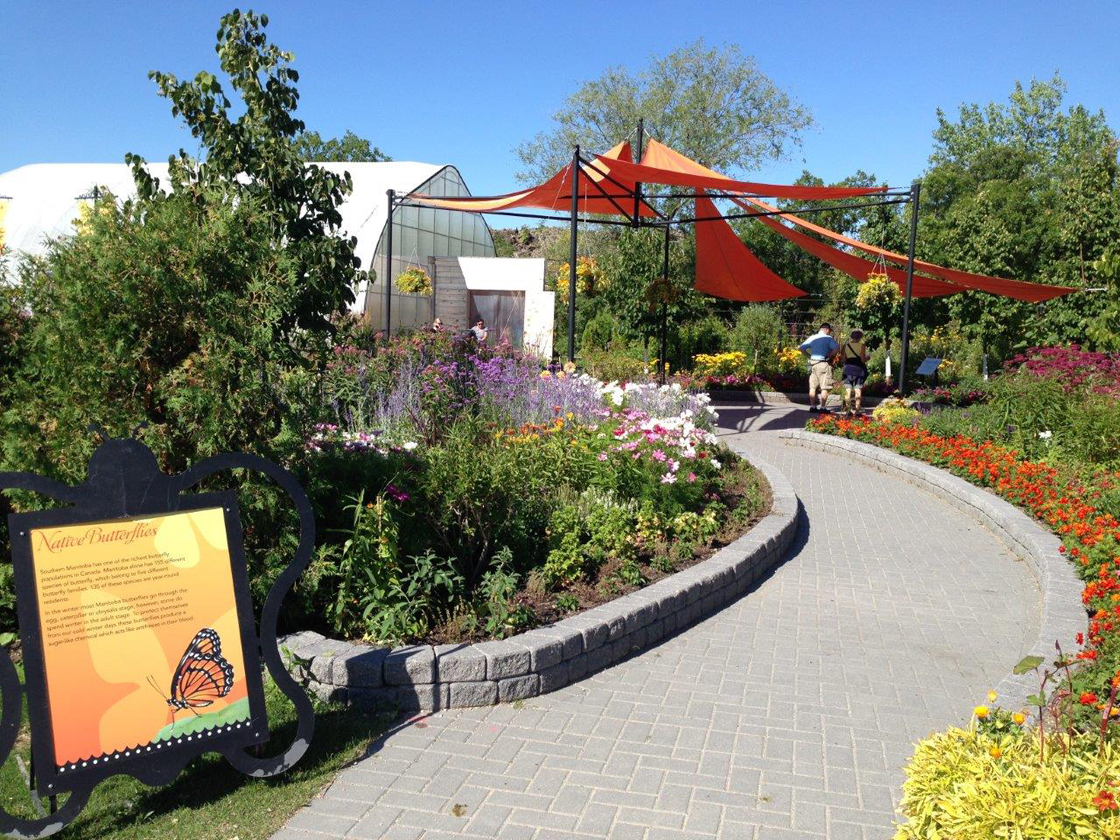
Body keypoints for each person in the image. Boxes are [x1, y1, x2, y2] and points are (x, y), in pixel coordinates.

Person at [799, 322, 839, 413]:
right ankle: (823, 407)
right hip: (823, 364)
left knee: (812, 387)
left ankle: (813, 406)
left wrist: (809, 356)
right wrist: (830, 354)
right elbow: (836, 348)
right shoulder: (828, 339)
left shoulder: (812, 337)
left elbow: (801, 348)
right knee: (825, 387)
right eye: (829, 331)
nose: (830, 333)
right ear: (827, 330)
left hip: (813, 364)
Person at [840, 329, 870, 416]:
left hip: (848, 369)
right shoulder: (862, 345)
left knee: (848, 390)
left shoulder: (846, 345)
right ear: (860, 337)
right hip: (859, 370)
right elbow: (863, 359)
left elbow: (843, 359)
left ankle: (848, 410)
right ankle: (857, 410)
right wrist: (868, 358)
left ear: (851, 336)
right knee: (858, 389)